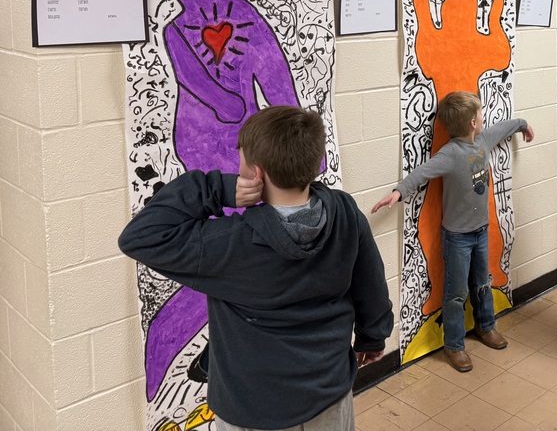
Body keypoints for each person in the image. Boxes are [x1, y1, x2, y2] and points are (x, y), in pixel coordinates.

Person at [118, 106, 393, 431]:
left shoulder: (231, 243)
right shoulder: (345, 211)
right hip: (330, 392)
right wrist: (372, 339)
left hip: (253, 410)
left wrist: (217, 189)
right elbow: (371, 287)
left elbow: (140, 236)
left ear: (256, 174)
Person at [371, 91, 533, 373]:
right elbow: (421, 173)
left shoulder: (483, 141)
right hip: (457, 237)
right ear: (473, 122)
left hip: (481, 231)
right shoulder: (450, 154)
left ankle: (485, 326)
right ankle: (455, 345)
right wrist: (398, 192)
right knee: (456, 292)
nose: (484, 118)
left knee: (482, 283)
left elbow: (504, 126)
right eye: (481, 115)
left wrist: (523, 124)